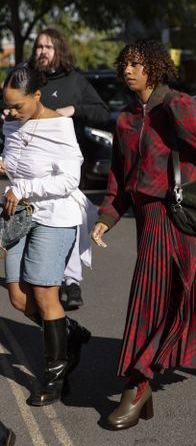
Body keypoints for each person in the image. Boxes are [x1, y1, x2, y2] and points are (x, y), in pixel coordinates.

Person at [91, 39, 196, 430]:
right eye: (124, 63)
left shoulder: (176, 105)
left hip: (178, 213)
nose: (127, 70)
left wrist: (178, 108)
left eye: (136, 63)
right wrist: (108, 216)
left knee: (155, 296)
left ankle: (138, 383)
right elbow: (118, 176)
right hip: (148, 219)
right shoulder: (126, 119)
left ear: (155, 68)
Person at [1, 66, 94, 406]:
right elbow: (14, 161)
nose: (10, 112)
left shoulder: (61, 126)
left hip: (55, 216)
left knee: (43, 293)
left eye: (17, 106)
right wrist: (3, 164)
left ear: (37, 96)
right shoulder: (12, 123)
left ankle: (54, 377)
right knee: (18, 298)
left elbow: (69, 180)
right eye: (7, 106)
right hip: (18, 214)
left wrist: (24, 186)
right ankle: (70, 332)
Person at [27, 27, 110, 310]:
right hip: (31, 165)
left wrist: (72, 109)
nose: (42, 52)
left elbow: (102, 111)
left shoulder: (74, 81)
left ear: (59, 50)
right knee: (35, 221)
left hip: (66, 167)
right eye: (39, 46)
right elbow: (8, 102)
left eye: (48, 47)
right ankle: (41, 277)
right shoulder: (26, 77)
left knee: (71, 221)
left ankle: (71, 280)